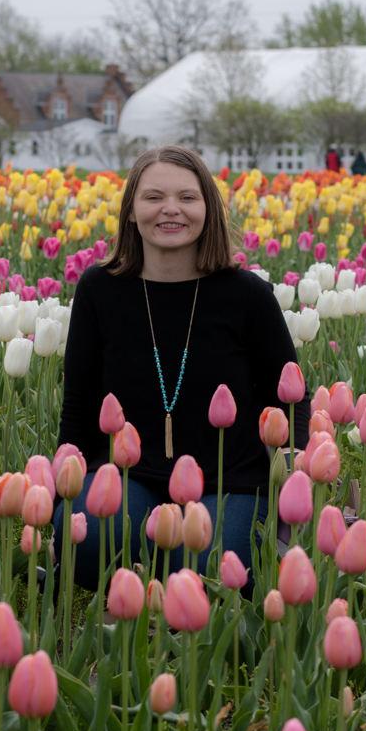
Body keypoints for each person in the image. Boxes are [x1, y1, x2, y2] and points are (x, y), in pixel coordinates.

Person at [53, 146, 308, 589]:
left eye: (187, 198)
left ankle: (155, 566)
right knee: (90, 542)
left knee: (207, 569)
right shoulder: (100, 290)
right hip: (129, 473)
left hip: (231, 480)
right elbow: (80, 403)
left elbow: (290, 398)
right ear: (131, 211)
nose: (171, 209)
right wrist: (60, 497)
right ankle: (142, 563)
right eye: (154, 197)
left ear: (208, 209)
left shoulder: (247, 294)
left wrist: (296, 471)